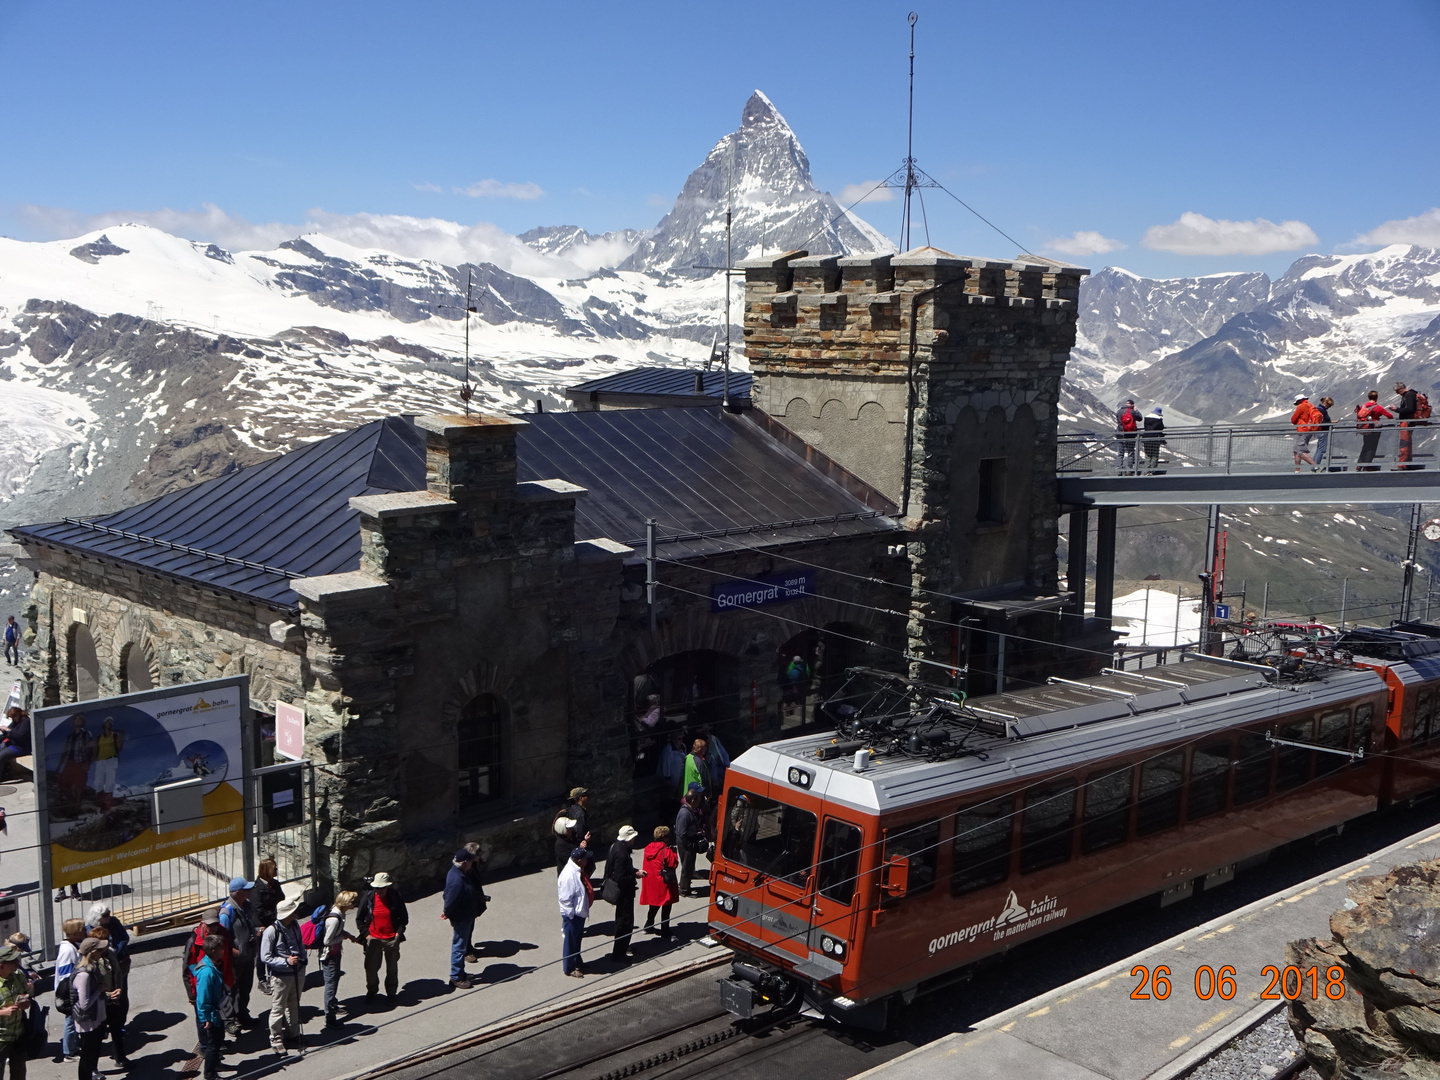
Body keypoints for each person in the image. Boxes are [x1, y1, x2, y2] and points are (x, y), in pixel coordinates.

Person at [260, 896, 306, 1054]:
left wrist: (302, 958)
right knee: (278, 1008)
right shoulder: (271, 931)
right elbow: (265, 957)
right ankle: (276, 1038)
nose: (296, 914)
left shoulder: (294, 925)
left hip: (297, 972)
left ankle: (293, 1033)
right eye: (293, 912)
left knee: (294, 1004)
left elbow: (300, 943)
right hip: (280, 976)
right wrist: (286, 961)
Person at [85, 905, 130, 1066]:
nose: (109, 916)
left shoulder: (110, 954)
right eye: (105, 915)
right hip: (101, 1001)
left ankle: (121, 1058)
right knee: (97, 1035)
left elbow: (117, 973)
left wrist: (118, 988)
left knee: (117, 1027)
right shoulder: (92, 963)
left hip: (114, 997)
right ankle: (93, 1068)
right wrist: (107, 994)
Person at [355, 872, 406, 1006]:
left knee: (392, 967)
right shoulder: (368, 898)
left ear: (387, 887)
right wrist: (367, 935)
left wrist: (398, 934)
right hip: (373, 939)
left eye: (382, 888)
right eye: (377, 888)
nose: (380, 890)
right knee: (371, 968)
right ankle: (372, 991)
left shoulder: (395, 897)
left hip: (391, 939)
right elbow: (359, 919)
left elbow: (404, 918)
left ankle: (391, 993)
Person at [218, 877, 257, 1033]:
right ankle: (229, 1021)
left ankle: (242, 1015)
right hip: (235, 961)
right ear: (238, 892)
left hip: (247, 957)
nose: (250, 892)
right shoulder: (227, 912)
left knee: (245, 989)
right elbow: (221, 936)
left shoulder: (246, 906)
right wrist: (232, 951)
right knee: (231, 991)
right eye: (246, 890)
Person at [442, 850, 484, 990]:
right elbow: (450, 900)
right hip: (462, 917)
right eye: (471, 861)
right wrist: (447, 913)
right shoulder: (457, 880)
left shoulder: (458, 873)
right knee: (459, 947)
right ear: (465, 862)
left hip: (466, 915)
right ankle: (456, 977)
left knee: (461, 945)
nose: (473, 863)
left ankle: (460, 972)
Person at [319, 891, 359, 1028]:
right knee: (330, 985)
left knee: (334, 980)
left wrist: (346, 934)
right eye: (353, 902)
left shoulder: (339, 914)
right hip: (329, 956)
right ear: (347, 903)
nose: (355, 904)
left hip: (335, 953)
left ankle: (333, 1006)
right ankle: (329, 1017)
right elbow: (327, 940)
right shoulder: (334, 918)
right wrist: (344, 937)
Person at [190, 934, 226, 1080]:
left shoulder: (213, 965)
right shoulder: (207, 973)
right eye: (220, 949)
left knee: (218, 1040)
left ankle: (215, 1065)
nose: (223, 951)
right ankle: (210, 1075)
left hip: (217, 1011)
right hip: (212, 1013)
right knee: (213, 1045)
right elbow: (203, 999)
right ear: (213, 951)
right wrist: (205, 1018)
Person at [604, 826, 641, 964]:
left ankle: (622, 949)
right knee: (625, 923)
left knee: (622, 921)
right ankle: (619, 953)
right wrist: (634, 875)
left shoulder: (615, 846)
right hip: (624, 893)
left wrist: (633, 871)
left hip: (622, 892)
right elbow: (621, 877)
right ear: (629, 839)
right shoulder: (622, 853)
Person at [72, 939, 108, 1080]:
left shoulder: (92, 968)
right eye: (99, 950)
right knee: (87, 1057)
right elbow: (84, 1004)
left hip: (96, 1018)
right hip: (87, 1022)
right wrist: (99, 991)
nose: (102, 952)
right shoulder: (84, 975)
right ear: (92, 953)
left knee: (92, 1054)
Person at [53, 918, 85, 1062]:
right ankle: (69, 1052)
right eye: (82, 930)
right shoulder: (67, 951)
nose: (85, 932)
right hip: (69, 993)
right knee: (71, 1021)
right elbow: (66, 976)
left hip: (73, 991)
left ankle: (73, 1046)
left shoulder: (73, 946)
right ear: (74, 933)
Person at [557, 847, 591, 978]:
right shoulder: (568, 876)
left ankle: (577, 961)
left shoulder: (576, 869)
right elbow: (565, 900)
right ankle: (569, 968)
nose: (587, 860)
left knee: (576, 940)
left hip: (578, 913)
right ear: (580, 860)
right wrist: (571, 915)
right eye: (586, 858)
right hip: (573, 915)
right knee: (570, 942)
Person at [640, 826, 679, 939]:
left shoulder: (648, 848)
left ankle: (649, 925)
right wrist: (675, 854)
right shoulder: (666, 850)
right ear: (665, 838)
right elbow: (673, 864)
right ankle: (665, 929)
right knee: (666, 905)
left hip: (651, 881)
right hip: (663, 882)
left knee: (654, 904)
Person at [251, 858, 284, 992]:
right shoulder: (257, 889)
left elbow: (282, 899)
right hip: (262, 925)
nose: (276, 870)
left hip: (274, 923)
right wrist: (274, 916)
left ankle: (273, 976)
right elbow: (259, 910)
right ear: (267, 870)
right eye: (274, 868)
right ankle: (262, 979)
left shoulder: (275, 884)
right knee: (262, 953)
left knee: (275, 949)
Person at [0, 942, 29, 1080]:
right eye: (13, 961)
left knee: (19, 1072)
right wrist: (2, 1012)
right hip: (1, 1037)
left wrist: (25, 1001)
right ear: (2, 965)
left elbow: (25, 992)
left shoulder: (18, 975)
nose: (18, 962)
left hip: (18, 1033)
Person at [57, 715, 94, 821]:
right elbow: (65, 751)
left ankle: (75, 811)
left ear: (83, 721)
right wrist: (59, 766)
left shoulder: (86, 734)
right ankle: (74, 806)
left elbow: (89, 749)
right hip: (69, 763)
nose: (77, 720)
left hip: (80, 762)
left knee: (79, 787)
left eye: (80, 719)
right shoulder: (69, 737)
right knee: (64, 786)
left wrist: (87, 763)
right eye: (76, 719)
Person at [675, 786, 708, 898]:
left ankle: (686, 885)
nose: (700, 802)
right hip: (686, 843)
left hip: (690, 841)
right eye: (698, 800)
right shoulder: (685, 813)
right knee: (686, 866)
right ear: (693, 800)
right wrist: (689, 845)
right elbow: (681, 832)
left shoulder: (690, 811)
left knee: (689, 866)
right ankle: (684, 889)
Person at [90, 718, 123, 814]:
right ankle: (102, 804)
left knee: (109, 782)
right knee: (98, 783)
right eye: (108, 722)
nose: (110, 723)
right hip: (100, 761)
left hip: (111, 760)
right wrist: (88, 762)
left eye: (111, 722)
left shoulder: (115, 735)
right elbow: (95, 751)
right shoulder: (99, 737)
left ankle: (107, 805)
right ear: (104, 724)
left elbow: (119, 748)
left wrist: (120, 738)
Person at [1355, 390, 1394, 470]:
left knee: (1365, 446)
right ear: (1376, 398)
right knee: (1372, 447)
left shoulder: (1363, 406)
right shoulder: (1378, 407)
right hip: (1375, 429)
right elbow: (1390, 416)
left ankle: (1359, 465)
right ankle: (1367, 465)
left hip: (1364, 428)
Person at [1290, 395, 1320, 471]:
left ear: (1299, 401)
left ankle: (1315, 466)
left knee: (1300, 450)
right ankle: (1297, 469)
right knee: (1296, 449)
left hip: (1303, 430)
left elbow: (1293, 420)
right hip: (1310, 429)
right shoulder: (1311, 405)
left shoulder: (1301, 407)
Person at [0, 710, 30, 783]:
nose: (13, 719)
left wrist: (8, 730)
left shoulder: (26, 722)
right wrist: (4, 731)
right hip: (12, 744)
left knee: (1, 756)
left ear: (17, 715)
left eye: (13, 717)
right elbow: (9, 733)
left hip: (20, 747)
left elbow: (19, 736)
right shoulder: (16, 722)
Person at [1396, 381, 1420, 468]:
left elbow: (1410, 409)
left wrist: (1397, 409)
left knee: (1404, 443)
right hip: (1408, 422)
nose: (1397, 394)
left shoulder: (1409, 395)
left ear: (1401, 389)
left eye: (1397, 391)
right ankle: (1407, 463)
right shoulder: (1411, 394)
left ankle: (1403, 464)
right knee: (1407, 442)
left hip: (1407, 422)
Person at [1115, 398, 1140, 474]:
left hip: (1120, 434)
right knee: (1130, 452)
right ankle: (1129, 469)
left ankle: (1119, 469)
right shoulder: (1132, 411)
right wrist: (1136, 411)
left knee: (1120, 453)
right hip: (1130, 435)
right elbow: (1140, 418)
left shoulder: (1119, 411)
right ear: (1132, 405)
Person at [1141, 406, 1166, 474]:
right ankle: (1152, 470)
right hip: (1155, 438)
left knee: (1147, 455)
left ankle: (1147, 470)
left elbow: (1146, 427)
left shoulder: (1146, 417)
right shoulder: (1159, 419)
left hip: (1146, 438)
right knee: (1154, 454)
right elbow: (1161, 427)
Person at [1313, 396, 1336, 468]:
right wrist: (1329, 422)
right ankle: (1315, 467)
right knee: (1321, 450)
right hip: (1323, 431)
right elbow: (1321, 422)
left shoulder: (1319, 409)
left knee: (1318, 449)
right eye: (1329, 405)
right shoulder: (1322, 410)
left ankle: (1314, 466)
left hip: (1319, 431)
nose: (1329, 407)